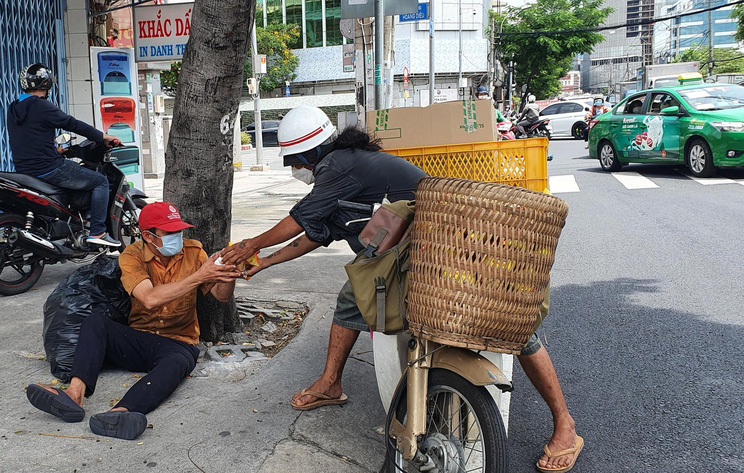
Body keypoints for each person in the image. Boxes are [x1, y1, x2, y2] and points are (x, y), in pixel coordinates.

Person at [222, 105, 583, 473]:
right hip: (406, 257)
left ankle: (565, 426)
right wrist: (267, 262)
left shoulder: (338, 165)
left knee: (514, 325)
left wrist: (252, 244)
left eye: (295, 160)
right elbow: (315, 232)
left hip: (444, 249)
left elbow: (300, 217)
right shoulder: (343, 174)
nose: (293, 168)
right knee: (351, 297)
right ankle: (330, 383)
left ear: (312, 151)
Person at [25, 202, 238, 440]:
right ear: (148, 236)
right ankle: (74, 394)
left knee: (177, 362)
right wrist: (199, 276)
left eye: (179, 231)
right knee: (95, 323)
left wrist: (228, 272)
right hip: (139, 338)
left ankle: (120, 413)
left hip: (179, 342)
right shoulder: (132, 256)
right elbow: (148, 299)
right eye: (170, 232)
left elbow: (222, 295)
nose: (178, 237)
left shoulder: (194, 251)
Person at [7, 63, 122, 247]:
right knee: (100, 181)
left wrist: (56, 150)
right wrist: (102, 136)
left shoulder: (14, 108)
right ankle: (98, 232)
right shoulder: (41, 106)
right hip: (49, 168)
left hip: (25, 170)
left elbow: (31, 138)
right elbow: (72, 124)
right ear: (46, 84)